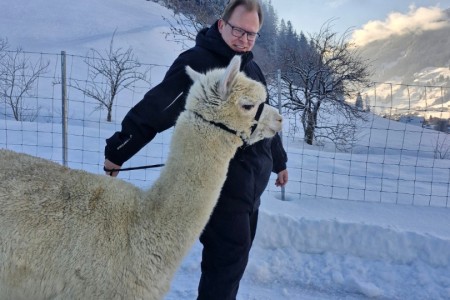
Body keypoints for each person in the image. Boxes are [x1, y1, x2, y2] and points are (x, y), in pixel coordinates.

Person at [103, 0, 288, 298]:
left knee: (236, 259)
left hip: (252, 186)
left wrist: (279, 161)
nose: (244, 39)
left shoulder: (250, 67)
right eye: (238, 30)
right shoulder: (201, 62)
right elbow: (156, 108)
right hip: (219, 186)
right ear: (221, 25)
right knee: (227, 261)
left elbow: (262, 121)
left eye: (251, 34)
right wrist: (118, 151)